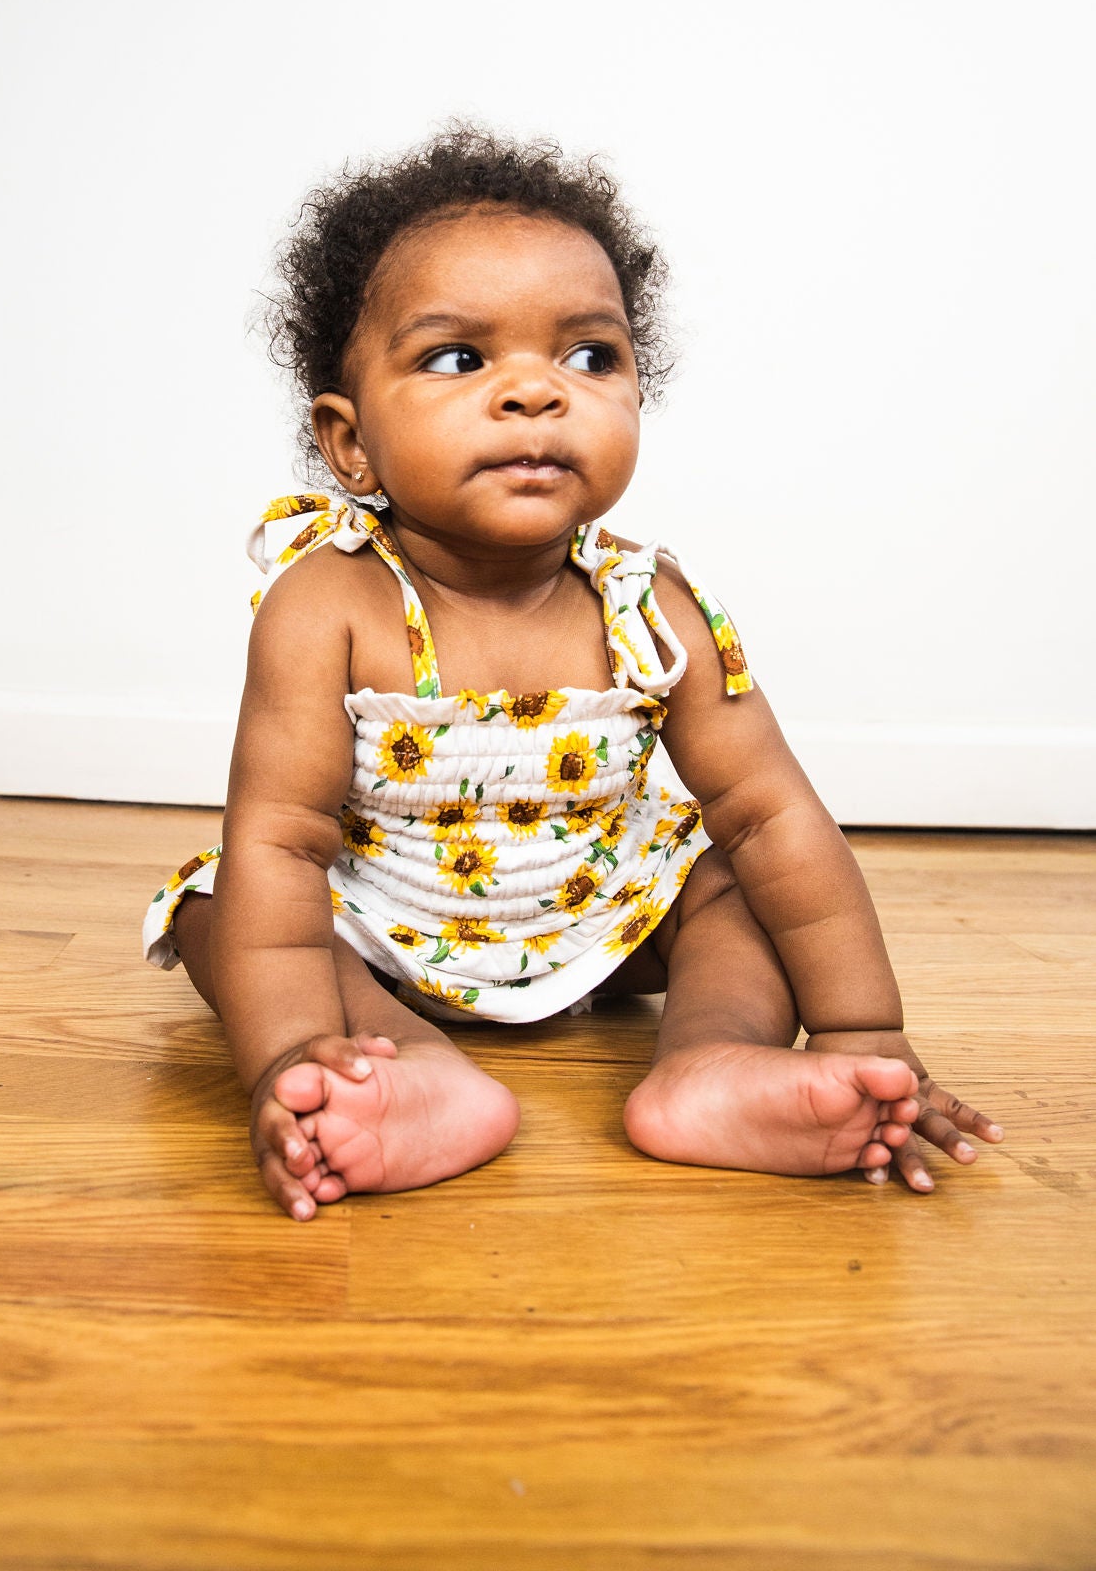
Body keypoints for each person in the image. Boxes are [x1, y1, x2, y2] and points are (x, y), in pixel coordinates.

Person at [143, 128, 1003, 1221]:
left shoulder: (652, 604)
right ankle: (381, 1067)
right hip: (386, 927)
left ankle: (713, 1059)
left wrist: (863, 1031)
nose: (535, 394)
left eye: (589, 356)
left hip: (601, 925)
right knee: (229, 898)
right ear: (348, 443)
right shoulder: (331, 603)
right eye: (461, 358)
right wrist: (289, 1050)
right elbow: (283, 834)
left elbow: (774, 815)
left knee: (736, 883)